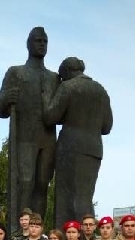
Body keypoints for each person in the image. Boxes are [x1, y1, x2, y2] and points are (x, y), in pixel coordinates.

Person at [0, 27, 59, 220]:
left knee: (42, 183)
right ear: (28, 44)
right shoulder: (16, 73)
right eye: (38, 41)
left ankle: (37, 226)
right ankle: (19, 227)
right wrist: (7, 98)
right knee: (25, 182)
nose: (42, 44)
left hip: (47, 138)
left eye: (45, 41)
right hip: (24, 137)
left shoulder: (54, 78)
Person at [43, 56, 113, 224]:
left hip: (70, 148)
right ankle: (86, 232)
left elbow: (50, 117)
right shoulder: (100, 90)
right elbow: (106, 127)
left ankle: (66, 234)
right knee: (85, 196)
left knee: (66, 198)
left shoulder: (68, 86)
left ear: (67, 72)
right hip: (94, 149)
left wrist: (46, 97)